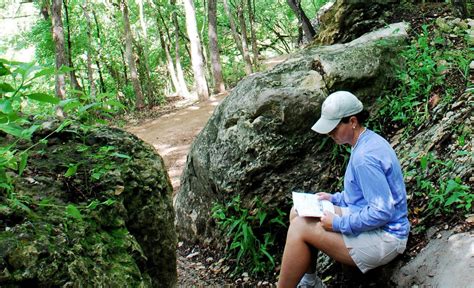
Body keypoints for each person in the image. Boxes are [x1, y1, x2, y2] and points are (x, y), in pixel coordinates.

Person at [277, 91, 410, 288]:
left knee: (300, 227)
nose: (329, 133)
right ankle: (310, 282)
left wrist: (338, 223)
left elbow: (382, 211)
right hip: (371, 222)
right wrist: (335, 199)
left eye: (334, 127)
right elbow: (365, 195)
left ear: (353, 121)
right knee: (296, 212)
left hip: (387, 237)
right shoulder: (366, 141)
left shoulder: (364, 158)